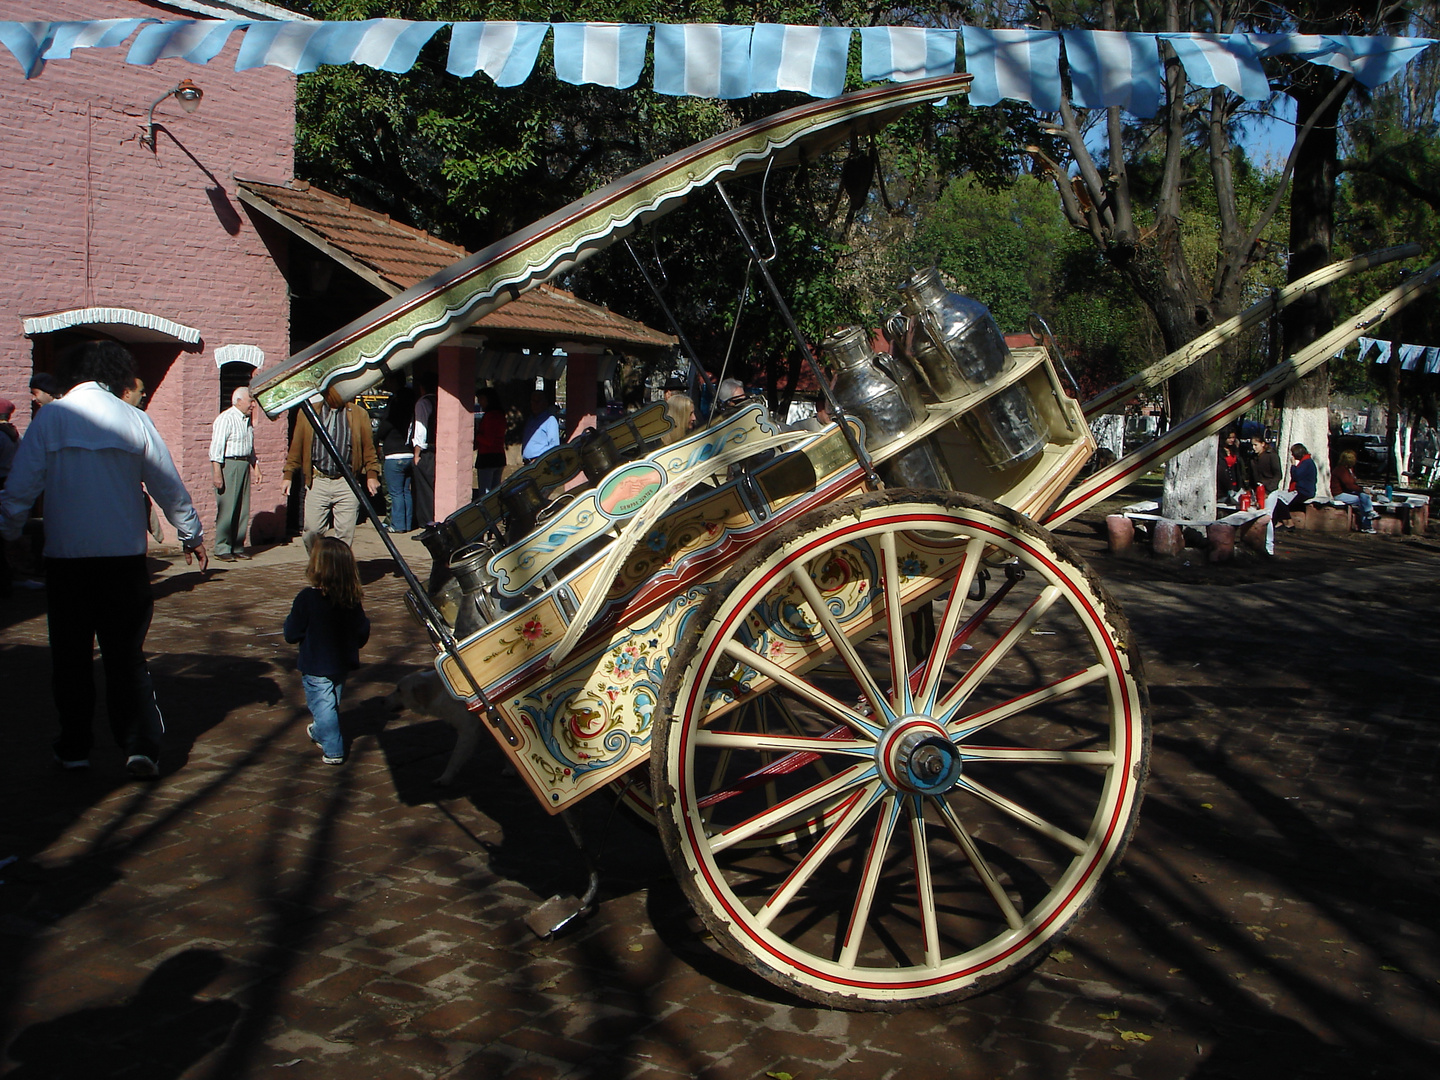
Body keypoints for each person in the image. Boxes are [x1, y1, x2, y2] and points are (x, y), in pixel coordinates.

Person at [0, 341, 207, 777]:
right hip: (123, 561)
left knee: (71, 658)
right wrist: (190, 533)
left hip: (66, 559)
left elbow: (21, 486)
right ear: (115, 374)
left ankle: (74, 746)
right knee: (125, 656)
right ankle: (138, 747)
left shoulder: (50, 420)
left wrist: (8, 529)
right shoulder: (135, 419)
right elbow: (167, 484)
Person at [284, 537, 369, 766]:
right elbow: (362, 629)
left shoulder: (307, 599)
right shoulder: (351, 599)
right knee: (330, 703)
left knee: (323, 706)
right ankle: (321, 732)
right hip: (342, 662)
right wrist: (355, 644)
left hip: (316, 663)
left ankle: (333, 749)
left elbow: (292, 632)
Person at [282, 399, 380, 552]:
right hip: (318, 480)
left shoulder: (358, 414)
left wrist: (372, 474)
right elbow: (296, 446)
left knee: (345, 534)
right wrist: (288, 475)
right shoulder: (309, 412)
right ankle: (319, 566)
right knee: (312, 531)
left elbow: (368, 448)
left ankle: (340, 571)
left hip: (347, 482)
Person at [208, 387, 261, 561]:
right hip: (229, 464)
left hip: (244, 463)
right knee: (228, 506)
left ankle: (237, 545)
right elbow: (217, 448)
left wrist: (256, 467)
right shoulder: (226, 419)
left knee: (242, 507)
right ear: (238, 401)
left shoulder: (246, 421)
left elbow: (250, 447)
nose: (253, 405)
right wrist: (217, 473)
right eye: (250, 401)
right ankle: (222, 546)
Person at [1262, 443, 1318, 555]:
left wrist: (1293, 465)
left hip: (1303, 491)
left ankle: (1288, 522)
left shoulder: (1307, 463)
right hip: (1300, 489)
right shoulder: (1307, 462)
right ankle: (1277, 521)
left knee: (1281, 500)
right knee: (1278, 497)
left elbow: (1296, 476)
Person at [375, 378, 414, 532]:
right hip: (408, 453)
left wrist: (378, 437)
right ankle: (408, 523)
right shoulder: (411, 404)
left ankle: (397, 525)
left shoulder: (395, 404)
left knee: (395, 492)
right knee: (406, 491)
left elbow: (385, 426)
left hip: (393, 454)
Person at [410, 373, 438, 528]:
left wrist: (417, 454)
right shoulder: (438, 401)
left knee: (425, 491)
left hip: (427, 452)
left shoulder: (423, 403)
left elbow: (420, 429)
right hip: (438, 450)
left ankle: (427, 522)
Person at [1332, 449, 1376, 533]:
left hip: (1347, 491)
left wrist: (1363, 490)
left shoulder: (1349, 469)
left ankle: (1370, 512)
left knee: (1364, 496)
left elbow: (1353, 483)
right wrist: (1362, 489)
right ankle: (1367, 525)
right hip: (1339, 494)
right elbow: (1349, 485)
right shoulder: (1341, 470)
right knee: (1362, 501)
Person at [474, 388, 506, 493]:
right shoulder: (501, 415)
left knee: (485, 494)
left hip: (487, 457)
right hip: (499, 456)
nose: (479, 402)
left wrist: (477, 435)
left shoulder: (490, 416)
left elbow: (488, 440)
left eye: (481, 399)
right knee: (495, 492)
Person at [521, 389, 559, 463]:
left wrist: (539, 460)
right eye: (532, 401)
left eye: (537, 402)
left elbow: (554, 445)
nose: (534, 404)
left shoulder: (550, 420)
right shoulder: (531, 419)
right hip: (527, 463)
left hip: (540, 463)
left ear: (545, 403)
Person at [1250, 435, 1282, 502]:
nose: (1253, 447)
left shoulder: (1271, 456)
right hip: (1257, 490)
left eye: (1256, 445)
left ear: (1262, 444)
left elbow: (1278, 475)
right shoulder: (1253, 457)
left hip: (1269, 491)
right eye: (1252, 445)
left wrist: (1268, 491)